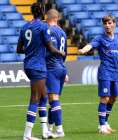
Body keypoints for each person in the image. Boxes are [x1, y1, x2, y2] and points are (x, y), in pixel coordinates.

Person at [78, 15, 118, 134]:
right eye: (105, 23)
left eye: (109, 23)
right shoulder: (100, 38)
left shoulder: (117, 41)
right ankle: (102, 125)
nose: (107, 25)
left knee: (113, 98)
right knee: (105, 98)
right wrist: (84, 50)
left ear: (114, 24)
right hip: (105, 72)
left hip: (115, 73)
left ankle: (106, 122)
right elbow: (91, 45)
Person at [16, 3, 65, 140]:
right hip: (38, 66)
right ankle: (27, 135)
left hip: (28, 65)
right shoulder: (43, 26)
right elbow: (50, 47)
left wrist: (32, 49)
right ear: (42, 11)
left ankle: (45, 131)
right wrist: (60, 52)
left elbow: (19, 50)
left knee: (43, 97)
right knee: (35, 98)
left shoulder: (25, 26)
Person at [45, 9, 67, 138]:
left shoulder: (50, 31)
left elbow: (51, 50)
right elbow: (65, 53)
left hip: (51, 67)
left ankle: (59, 130)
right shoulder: (62, 32)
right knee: (52, 100)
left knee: (54, 100)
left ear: (47, 17)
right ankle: (49, 127)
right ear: (57, 18)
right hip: (61, 67)